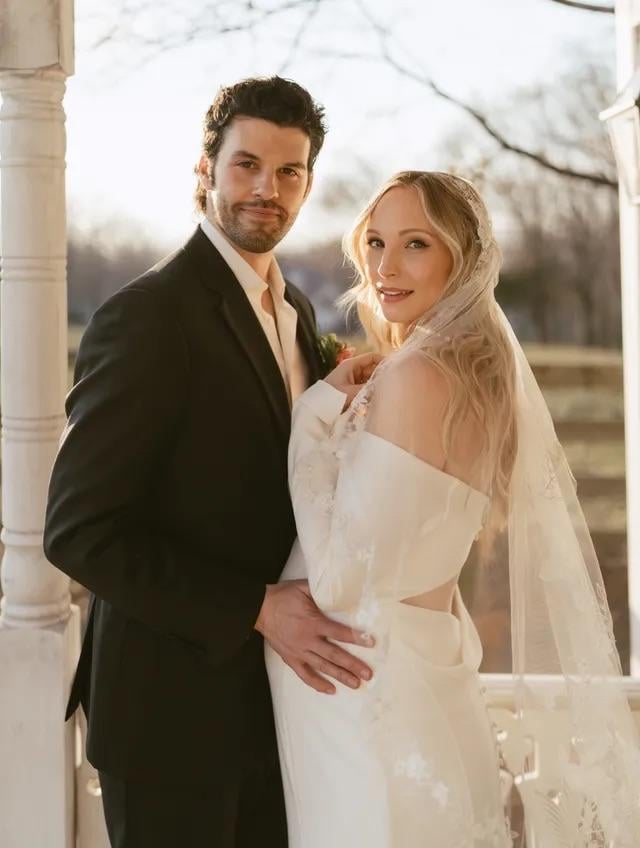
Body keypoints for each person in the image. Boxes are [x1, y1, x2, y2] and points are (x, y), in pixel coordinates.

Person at [43, 76, 375, 848]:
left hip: (277, 710)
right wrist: (256, 608)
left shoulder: (296, 313)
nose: (268, 189)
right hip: (169, 721)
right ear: (206, 170)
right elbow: (79, 532)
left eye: (289, 171)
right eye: (246, 165)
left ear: (309, 183)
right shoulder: (147, 316)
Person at [266, 171, 640, 846]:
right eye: (376, 242)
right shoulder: (478, 374)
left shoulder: (416, 375)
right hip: (416, 672)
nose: (384, 267)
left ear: (460, 258)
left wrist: (312, 420)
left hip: (362, 694)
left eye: (416, 244)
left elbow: (341, 578)